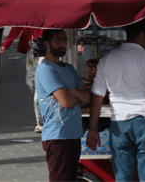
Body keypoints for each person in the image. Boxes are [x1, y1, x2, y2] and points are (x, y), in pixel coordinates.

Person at [87, 19, 145, 181]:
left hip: (120, 124)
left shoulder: (107, 60)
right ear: (141, 35)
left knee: (122, 176)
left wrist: (93, 129)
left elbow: (97, 96)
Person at [35, 29, 89, 182]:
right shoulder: (46, 70)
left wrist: (71, 92)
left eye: (65, 40)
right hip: (58, 135)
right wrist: (73, 95)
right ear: (47, 43)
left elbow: (86, 97)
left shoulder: (69, 68)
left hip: (74, 133)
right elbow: (65, 102)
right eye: (59, 40)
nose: (63, 44)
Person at [0, 27, 43, 132]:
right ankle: (43, 103)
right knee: (30, 81)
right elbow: (18, 26)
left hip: (47, 47)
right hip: (31, 48)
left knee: (39, 85)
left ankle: (40, 122)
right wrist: (6, 44)